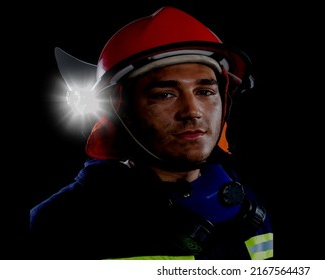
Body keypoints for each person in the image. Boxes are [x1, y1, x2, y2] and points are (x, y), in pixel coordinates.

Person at [30, 6, 274, 260]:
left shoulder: (247, 208)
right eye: (165, 95)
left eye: (205, 92)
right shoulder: (56, 225)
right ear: (120, 111)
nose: (192, 112)